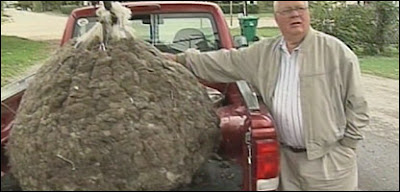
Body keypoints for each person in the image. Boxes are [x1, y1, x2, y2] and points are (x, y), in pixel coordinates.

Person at [165, 1, 369, 191]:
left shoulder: (336, 53)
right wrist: (180, 60)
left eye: (300, 9)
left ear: (309, 13)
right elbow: (225, 61)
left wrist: (346, 147)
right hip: (286, 161)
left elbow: (358, 106)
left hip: (328, 162)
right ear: (276, 18)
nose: (295, 15)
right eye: (287, 11)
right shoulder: (264, 53)